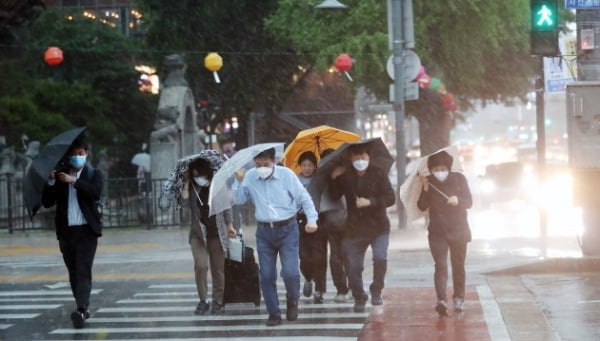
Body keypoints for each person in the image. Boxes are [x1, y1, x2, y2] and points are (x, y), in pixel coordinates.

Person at [232, 147, 318, 327]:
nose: (262, 167)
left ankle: (292, 300)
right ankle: (274, 312)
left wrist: (312, 220)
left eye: (266, 164)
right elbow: (238, 200)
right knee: (267, 274)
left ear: (274, 162)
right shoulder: (249, 177)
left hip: (288, 229)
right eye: (258, 164)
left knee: (290, 272)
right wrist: (238, 182)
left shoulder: (287, 175)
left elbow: (304, 198)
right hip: (264, 232)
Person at [41, 137, 103, 329]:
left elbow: (95, 193)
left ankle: (81, 309)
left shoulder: (93, 174)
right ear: (68, 156)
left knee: (83, 269)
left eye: (81, 154)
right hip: (67, 232)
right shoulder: (60, 177)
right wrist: (51, 181)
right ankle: (82, 307)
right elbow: (47, 202)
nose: (77, 157)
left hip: (87, 231)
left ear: (86, 154)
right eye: (74, 154)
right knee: (73, 271)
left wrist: (74, 181)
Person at [329, 143, 395, 312]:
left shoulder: (378, 173)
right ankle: (359, 296)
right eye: (356, 158)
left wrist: (370, 202)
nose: (360, 161)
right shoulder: (346, 175)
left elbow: (390, 198)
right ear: (351, 159)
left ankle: (376, 290)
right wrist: (334, 178)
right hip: (355, 228)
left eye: (363, 157)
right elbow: (334, 195)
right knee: (352, 264)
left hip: (379, 226)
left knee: (380, 257)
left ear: (369, 157)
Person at [417, 150, 472, 316]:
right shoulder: (429, 183)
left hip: (459, 230)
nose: (439, 172)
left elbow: (469, 202)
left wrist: (458, 200)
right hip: (437, 232)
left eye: (442, 168)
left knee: (458, 265)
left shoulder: (459, 179)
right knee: (440, 266)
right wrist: (425, 188)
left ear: (448, 168)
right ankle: (441, 299)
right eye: (435, 169)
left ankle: (459, 297)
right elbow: (421, 206)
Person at [181, 154, 236, 315]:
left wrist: (230, 226)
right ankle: (203, 301)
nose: (199, 178)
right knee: (200, 266)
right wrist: (186, 181)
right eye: (195, 175)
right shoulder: (192, 187)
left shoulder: (218, 186)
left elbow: (227, 207)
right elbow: (183, 203)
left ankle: (218, 302)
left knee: (218, 269)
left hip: (217, 233)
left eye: (201, 174)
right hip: (198, 234)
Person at [295, 151, 328, 304]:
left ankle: (319, 290)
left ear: (315, 167)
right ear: (300, 166)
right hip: (300, 220)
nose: (307, 168)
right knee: (304, 256)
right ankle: (308, 277)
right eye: (304, 165)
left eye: (310, 165)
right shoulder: (294, 181)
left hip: (319, 220)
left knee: (319, 256)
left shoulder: (319, 179)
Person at [319, 148, 350, 303]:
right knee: (337, 256)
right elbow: (332, 195)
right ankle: (342, 288)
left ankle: (349, 287)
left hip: (348, 219)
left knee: (347, 255)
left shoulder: (347, 172)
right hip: (331, 221)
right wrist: (333, 177)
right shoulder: (322, 177)